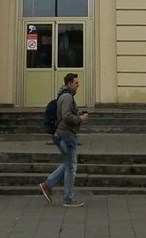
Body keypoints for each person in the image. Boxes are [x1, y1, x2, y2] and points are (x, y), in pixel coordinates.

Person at [39, 72, 89, 207]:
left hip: (62, 134)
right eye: (76, 83)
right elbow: (66, 115)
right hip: (66, 135)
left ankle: (47, 185)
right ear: (69, 83)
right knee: (71, 167)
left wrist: (77, 114)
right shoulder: (67, 97)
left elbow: (65, 113)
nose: (78, 85)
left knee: (68, 164)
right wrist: (80, 118)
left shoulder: (64, 95)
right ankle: (68, 198)